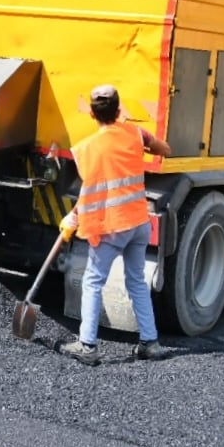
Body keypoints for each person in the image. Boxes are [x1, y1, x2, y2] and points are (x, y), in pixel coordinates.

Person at [59, 84, 172, 366]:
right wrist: (143, 140)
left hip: (112, 227)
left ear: (92, 115)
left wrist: (73, 217)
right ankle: (150, 342)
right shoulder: (135, 133)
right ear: (119, 109)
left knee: (93, 280)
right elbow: (165, 149)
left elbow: (90, 190)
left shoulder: (88, 149)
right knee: (136, 282)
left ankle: (87, 345)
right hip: (138, 222)